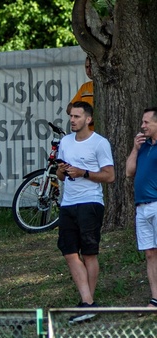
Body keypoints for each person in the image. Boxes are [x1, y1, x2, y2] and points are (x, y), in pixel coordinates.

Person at [55, 101, 114, 322]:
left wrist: (83, 173)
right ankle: (88, 303)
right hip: (68, 203)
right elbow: (60, 177)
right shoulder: (65, 142)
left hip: (90, 203)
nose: (72, 120)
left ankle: (87, 304)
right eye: (71, 116)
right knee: (69, 251)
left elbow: (109, 176)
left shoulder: (99, 143)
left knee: (89, 253)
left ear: (88, 119)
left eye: (77, 116)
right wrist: (62, 171)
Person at [127, 107, 157, 308]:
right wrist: (135, 149)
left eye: (146, 122)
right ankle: (155, 298)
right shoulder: (143, 146)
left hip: (156, 203)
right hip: (141, 206)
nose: (142, 126)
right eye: (142, 122)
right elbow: (129, 172)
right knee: (150, 253)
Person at [67, 57, 94, 131]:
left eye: (91, 66)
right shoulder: (85, 87)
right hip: (86, 133)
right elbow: (69, 108)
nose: (89, 70)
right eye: (87, 67)